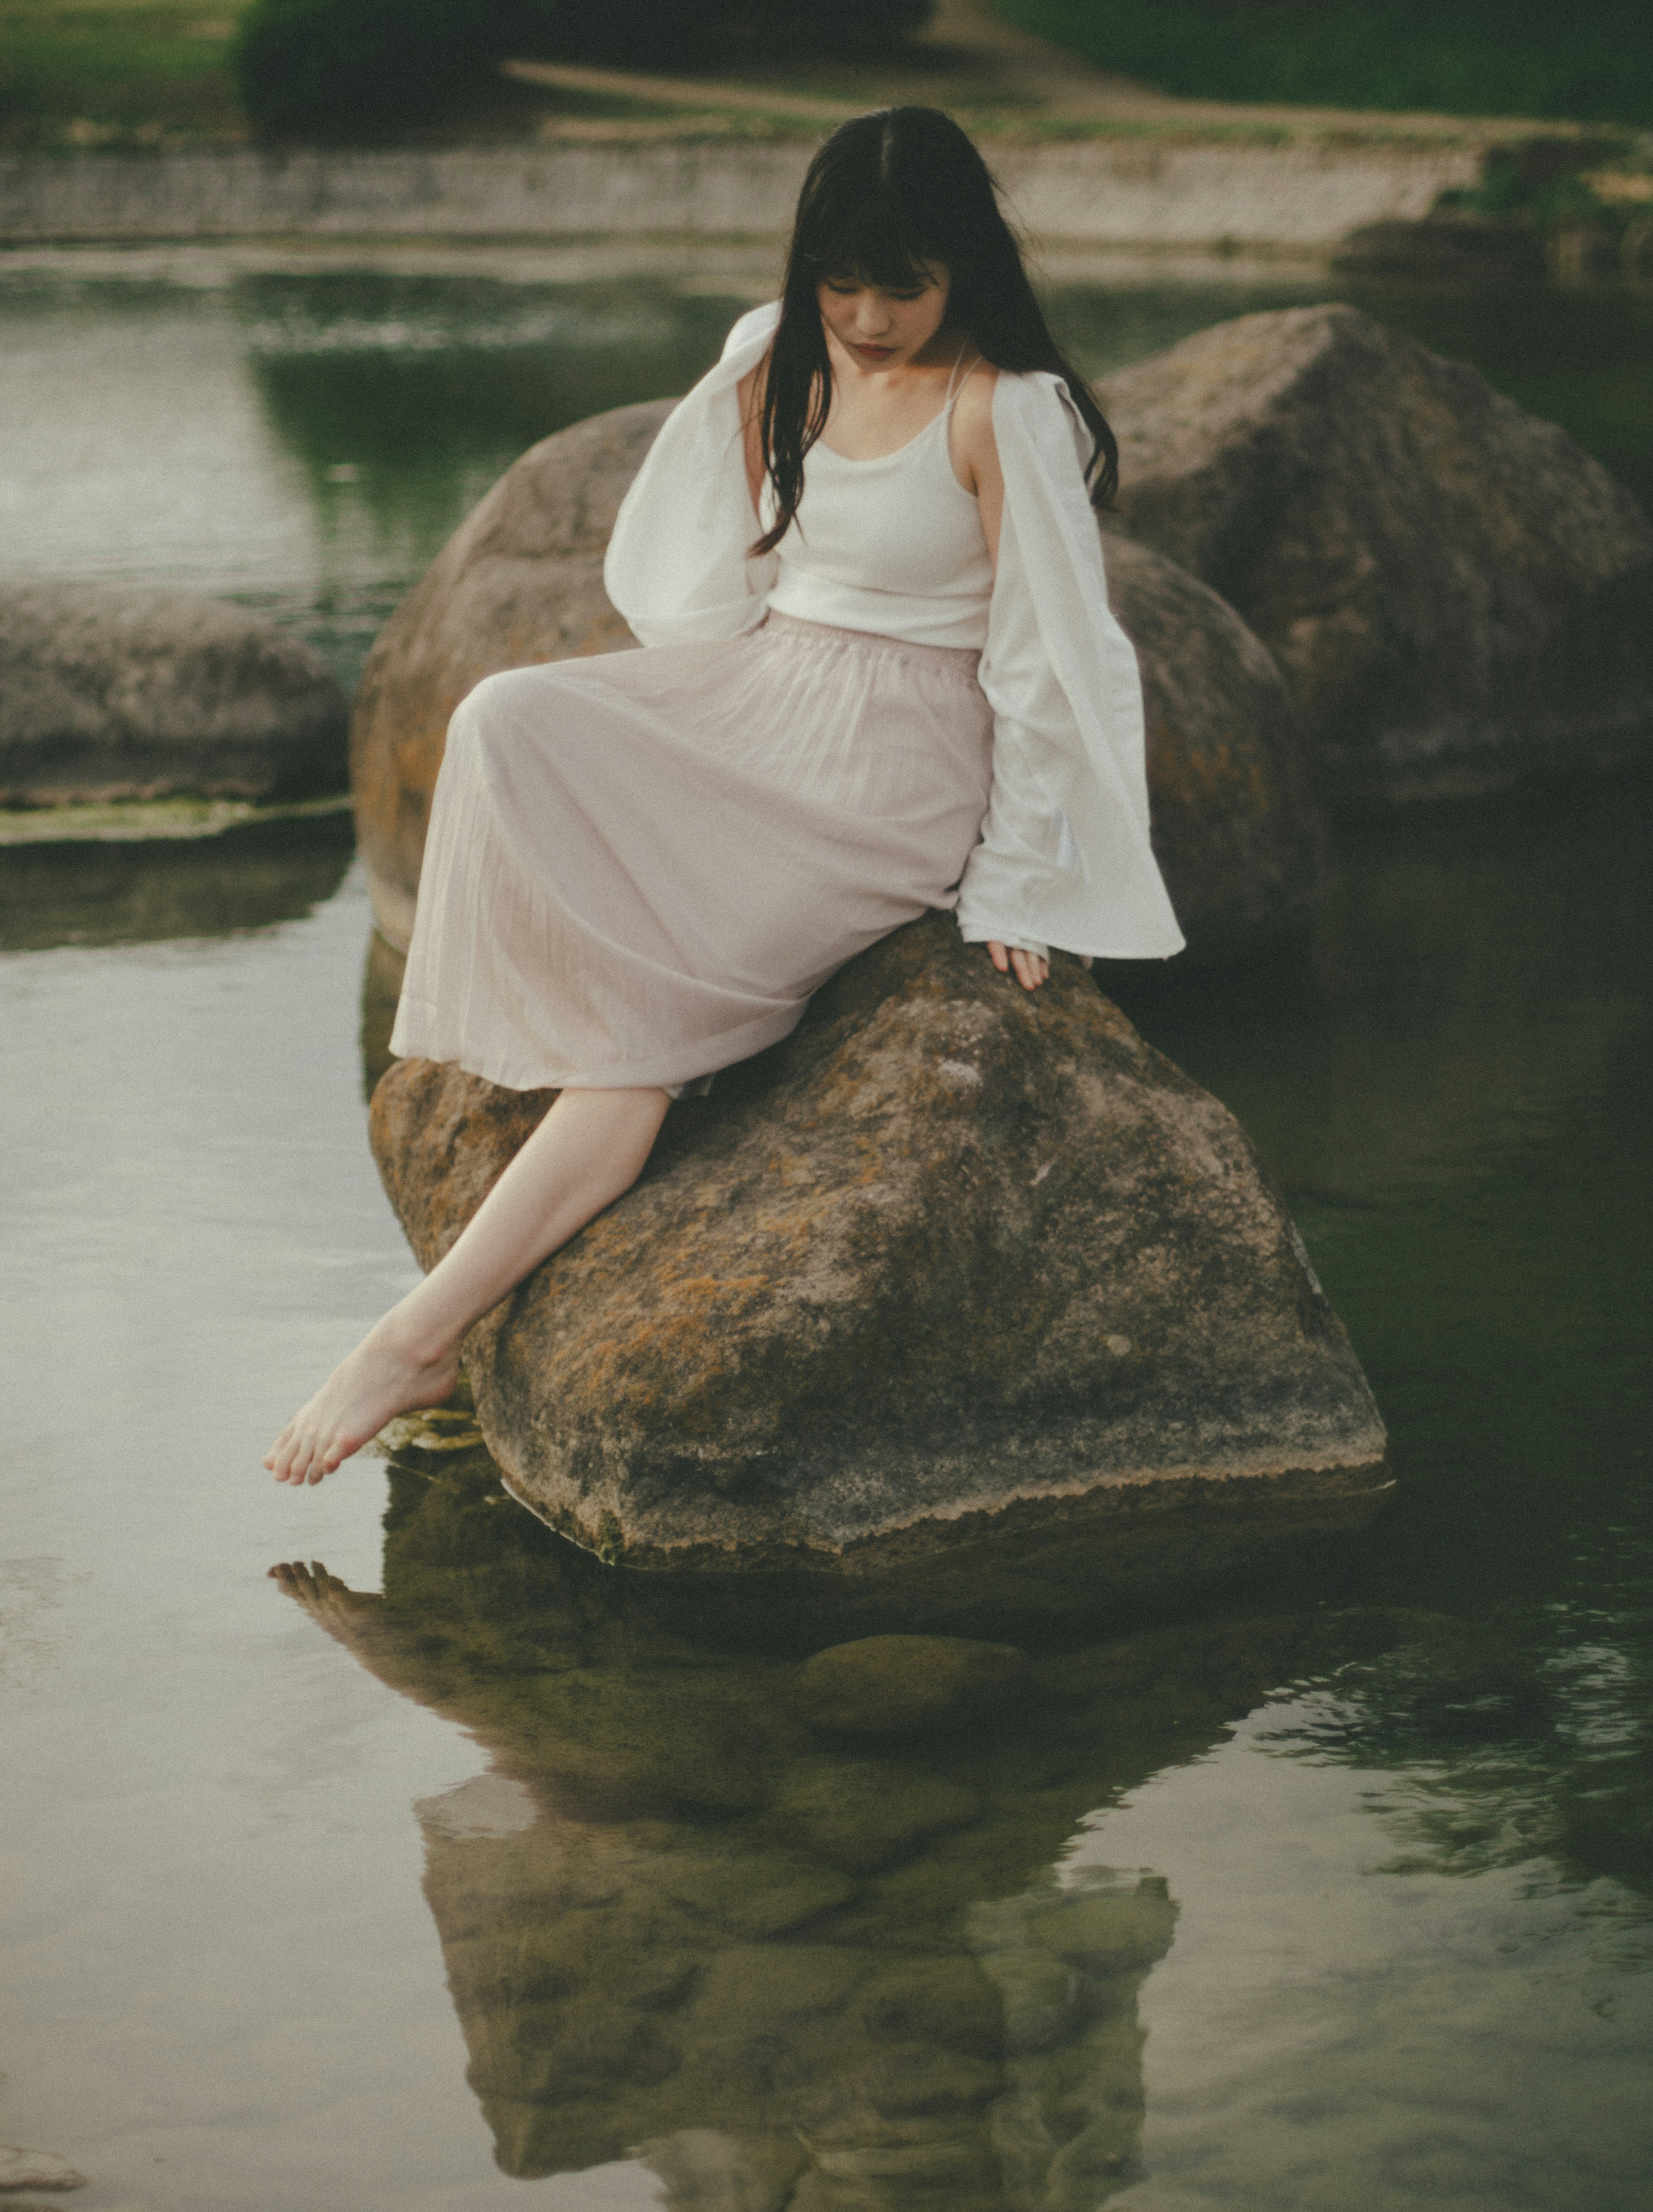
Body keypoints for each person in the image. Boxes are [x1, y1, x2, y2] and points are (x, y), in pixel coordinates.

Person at [263, 105, 1183, 1490]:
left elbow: (1050, 660)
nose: (868, 316)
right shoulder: (779, 356)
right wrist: (703, 725)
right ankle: (589, 1028)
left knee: (640, 1041)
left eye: (905, 286)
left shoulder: (1008, 409)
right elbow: (704, 575)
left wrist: (1018, 877)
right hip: (767, 688)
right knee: (507, 714)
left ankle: (420, 1334)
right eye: (841, 281)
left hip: (899, 759)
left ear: (968, 271)